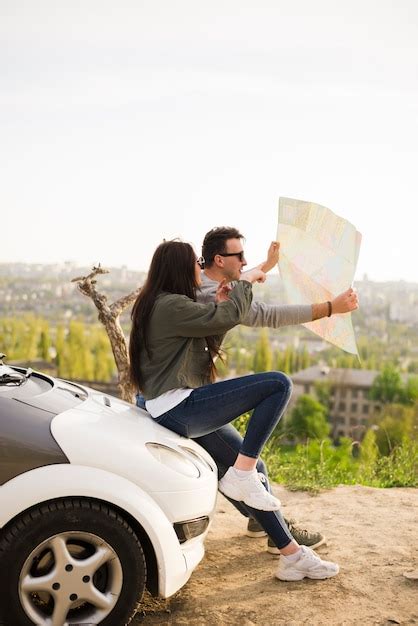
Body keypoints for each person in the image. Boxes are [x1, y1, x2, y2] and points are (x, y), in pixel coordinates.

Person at [130, 239, 340, 581]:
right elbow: (227, 316)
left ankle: (292, 555)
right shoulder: (169, 306)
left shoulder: (166, 302)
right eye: (194, 263)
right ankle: (243, 480)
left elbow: (218, 320)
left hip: (172, 402)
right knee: (278, 384)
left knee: (251, 466)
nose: (199, 268)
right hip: (178, 406)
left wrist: (228, 298)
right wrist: (245, 284)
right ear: (181, 268)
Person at [197, 226, 359, 553]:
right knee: (250, 466)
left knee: (248, 468)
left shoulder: (209, 285)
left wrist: (266, 267)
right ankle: (279, 534)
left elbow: (255, 300)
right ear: (218, 259)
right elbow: (266, 314)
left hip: (190, 395)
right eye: (238, 255)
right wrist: (330, 307)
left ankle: (260, 519)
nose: (245, 260)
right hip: (185, 402)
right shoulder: (209, 294)